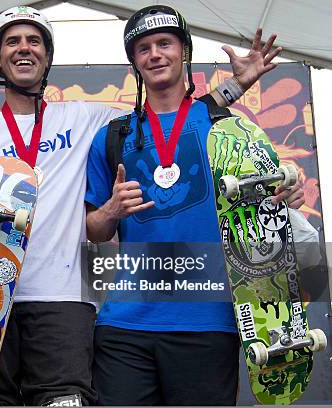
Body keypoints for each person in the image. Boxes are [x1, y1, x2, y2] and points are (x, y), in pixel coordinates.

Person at [0, 5, 280, 406]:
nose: (24, 49)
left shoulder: (86, 118)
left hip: (63, 300)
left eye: (34, 41)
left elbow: (169, 115)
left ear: (47, 56)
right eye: (12, 41)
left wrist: (237, 86)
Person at [85, 5, 316, 405]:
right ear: (134, 63)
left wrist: (287, 196)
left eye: (164, 43)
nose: (155, 54)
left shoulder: (227, 128)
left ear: (184, 52)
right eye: (143, 48)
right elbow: (93, 230)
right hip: (124, 326)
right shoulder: (112, 136)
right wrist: (111, 211)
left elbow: (270, 200)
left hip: (208, 322)